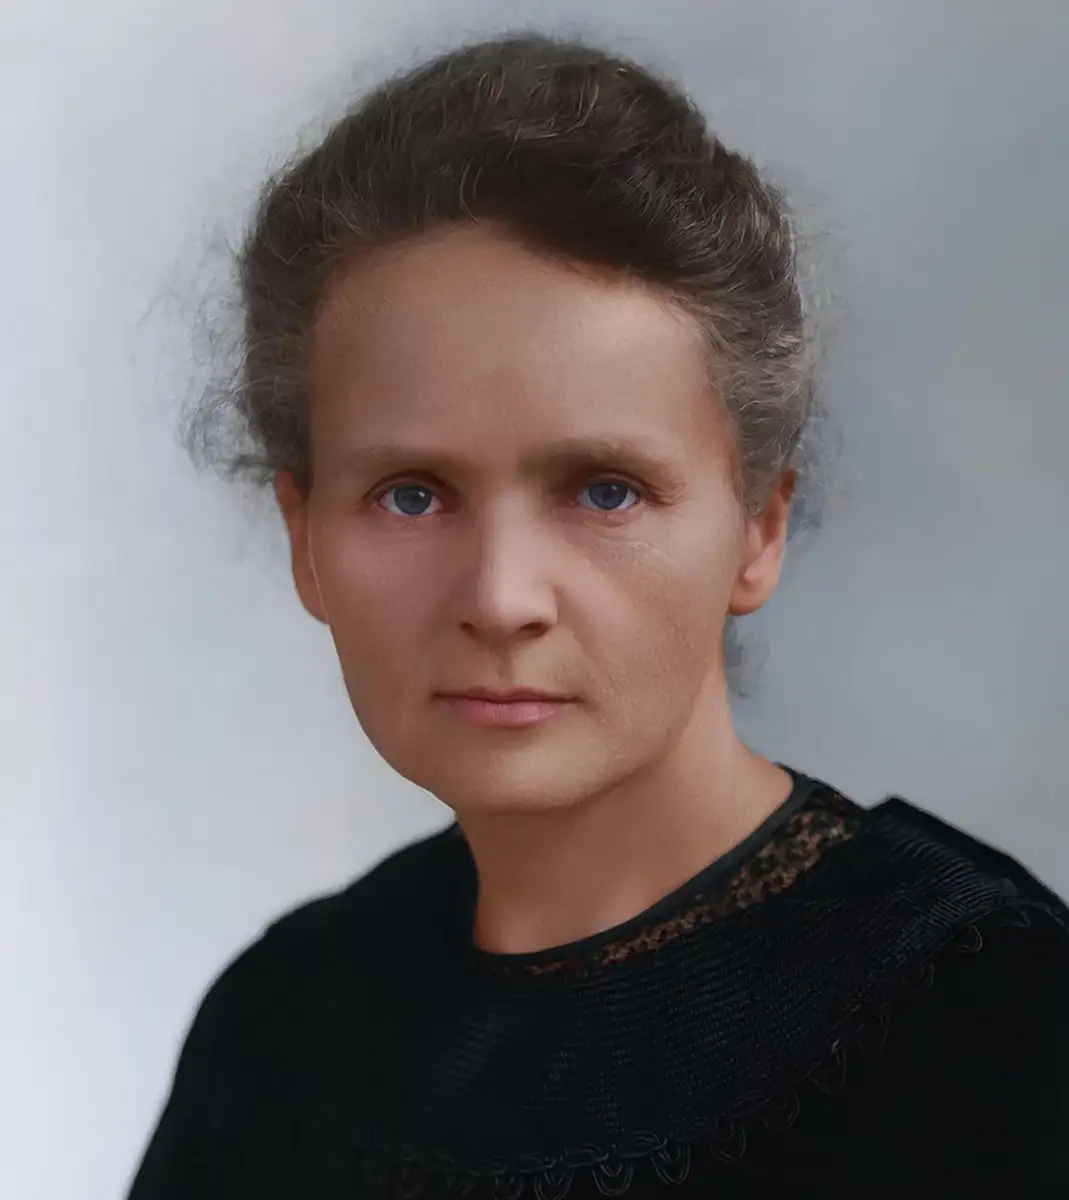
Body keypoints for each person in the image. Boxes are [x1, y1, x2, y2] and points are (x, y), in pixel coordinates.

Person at [127, 30, 1068, 1198]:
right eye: (411, 495)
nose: (500, 599)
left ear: (759, 528)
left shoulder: (993, 1021)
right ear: (304, 538)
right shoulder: (275, 1030)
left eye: (603, 490)